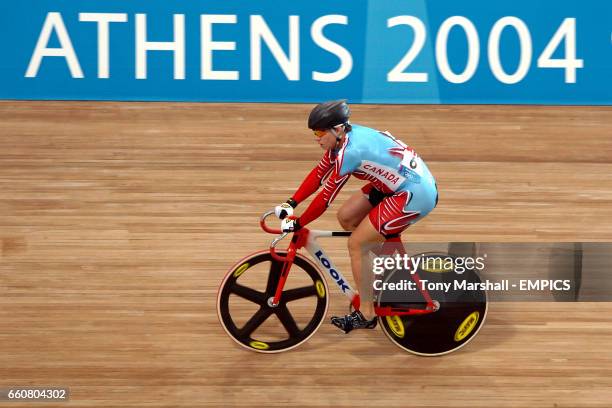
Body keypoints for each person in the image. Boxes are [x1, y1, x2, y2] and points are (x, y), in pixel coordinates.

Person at [274, 100, 438, 333]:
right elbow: (319, 174)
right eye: (314, 132)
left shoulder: (351, 152)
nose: (316, 138)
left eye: (320, 132)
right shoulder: (341, 141)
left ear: (338, 129)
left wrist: (298, 222)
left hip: (414, 194)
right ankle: (389, 269)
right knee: (347, 218)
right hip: (395, 185)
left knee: (357, 244)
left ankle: (367, 314)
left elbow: (325, 199)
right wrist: (291, 203)